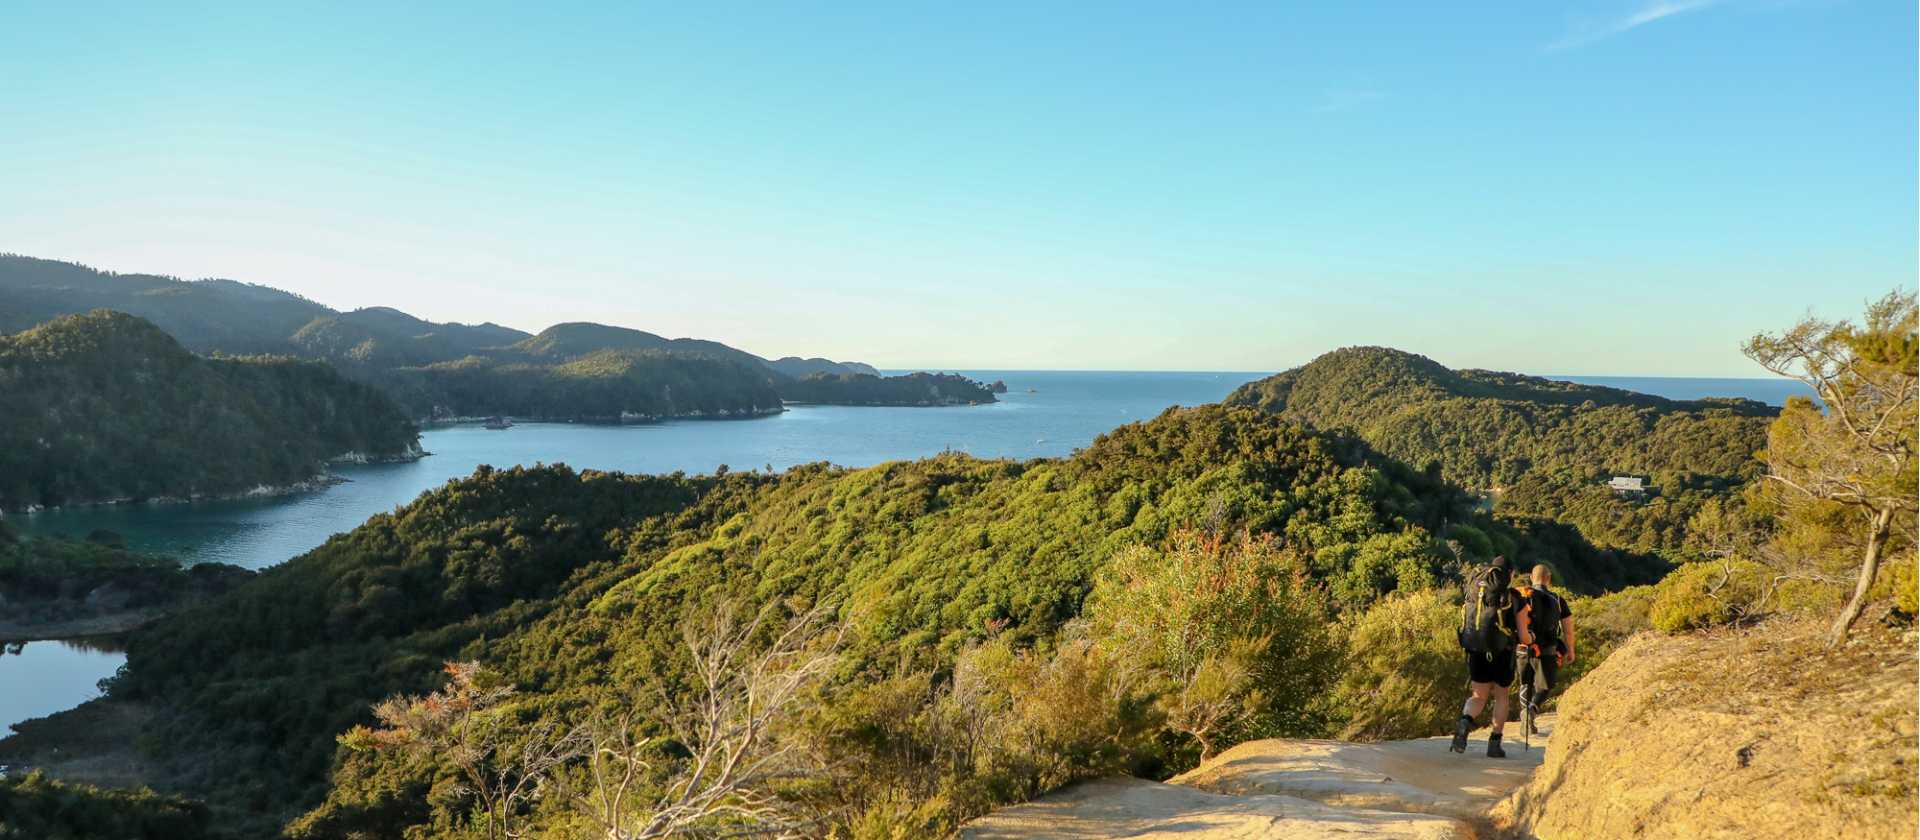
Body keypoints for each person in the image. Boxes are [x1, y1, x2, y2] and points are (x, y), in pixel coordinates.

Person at [1450, 556, 1532, 758]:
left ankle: (1465, 722)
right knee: (1501, 696)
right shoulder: (1514, 598)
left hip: (1476, 648)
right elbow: (1524, 637)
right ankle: (1494, 744)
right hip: (1501, 653)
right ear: (1509, 574)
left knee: (1478, 696)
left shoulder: (1475, 595)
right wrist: (1532, 638)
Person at [1514, 564, 1574, 733]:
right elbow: (1568, 629)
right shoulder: (1557, 599)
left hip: (1523, 648)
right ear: (1548, 579)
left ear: (1532, 578)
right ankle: (1531, 711)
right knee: (1545, 686)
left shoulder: (1520, 597)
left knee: (1524, 683)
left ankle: (1525, 721)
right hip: (1547, 649)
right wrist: (1570, 650)